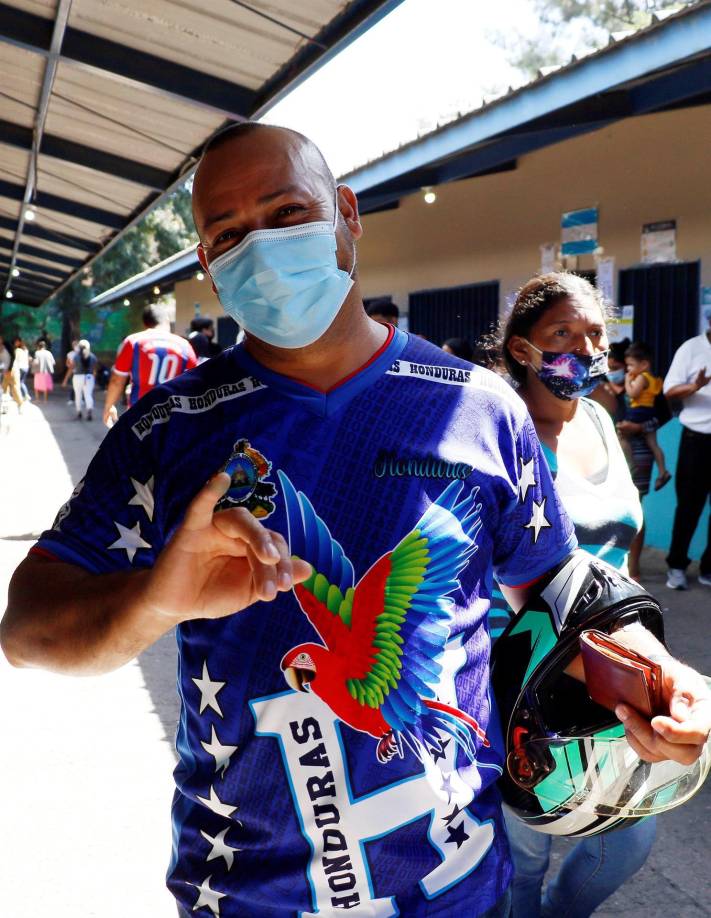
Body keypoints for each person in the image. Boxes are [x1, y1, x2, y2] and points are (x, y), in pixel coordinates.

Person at [3, 124, 710, 918]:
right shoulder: (169, 427)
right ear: (206, 261)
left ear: (345, 213)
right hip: (241, 894)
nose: (262, 248)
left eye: (287, 213)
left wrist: (657, 674)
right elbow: (25, 632)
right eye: (228, 234)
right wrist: (153, 602)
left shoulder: (479, 408)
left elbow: (558, 591)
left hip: (456, 890)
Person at [491, 272, 657, 917]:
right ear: (521, 348)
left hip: (614, 664)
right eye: (562, 333)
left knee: (625, 840)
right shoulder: (502, 429)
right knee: (525, 855)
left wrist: (635, 619)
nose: (584, 349)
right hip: (527, 675)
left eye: (594, 334)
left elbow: (624, 530)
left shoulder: (597, 416)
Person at [663, 320, 711, 590]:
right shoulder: (691, 349)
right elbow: (669, 391)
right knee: (689, 508)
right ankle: (677, 566)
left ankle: (708, 568)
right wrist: (695, 385)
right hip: (697, 441)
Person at [103, 305, 198, 427]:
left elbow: (117, 380)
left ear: (145, 323)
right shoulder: (185, 346)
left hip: (139, 417)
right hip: (172, 418)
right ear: (166, 321)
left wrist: (109, 405)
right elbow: (194, 385)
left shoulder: (134, 342)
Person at [618, 341, 670, 491]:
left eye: (630, 365)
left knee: (621, 434)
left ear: (644, 364)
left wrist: (628, 382)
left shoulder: (641, 378)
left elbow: (632, 394)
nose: (628, 369)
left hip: (638, 413)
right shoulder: (654, 379)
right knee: (654, 444)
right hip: (648, 413)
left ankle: (630, 464)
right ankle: (663, 471)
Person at [71, 339, 97, 421]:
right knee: (88, 394)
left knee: (78, 395)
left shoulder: (76, 356)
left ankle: (79, 412)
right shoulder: (93, 357)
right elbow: (95, 368)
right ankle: (89, 411)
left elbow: (72, 366)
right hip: (89, 377)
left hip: (77, 377)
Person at [0, 334, 23, 411]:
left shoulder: (7, 345)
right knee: (3, 390)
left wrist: (9, 369)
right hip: (3, 372)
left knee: (15, 389)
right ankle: (4, 407)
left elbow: (13, 357)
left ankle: (20, 405)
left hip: (13, 370)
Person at [12, 337, 30, 402]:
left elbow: (15, 360)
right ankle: (24, 396)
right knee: (21, 382)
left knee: (18, 383)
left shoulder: (17, 350)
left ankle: (24, 396)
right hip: (26, 368)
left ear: (19, 343)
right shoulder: (26, 350)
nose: (15, 343)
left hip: (20, 368)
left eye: (16, 342)